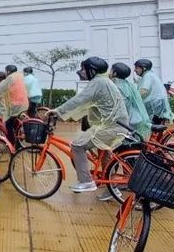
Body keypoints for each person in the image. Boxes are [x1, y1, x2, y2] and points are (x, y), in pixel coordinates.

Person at [50, 57, 129, 194]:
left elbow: (79, 100)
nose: (81, 72)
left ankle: (86, 182)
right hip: (115, 125)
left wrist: (58, 111)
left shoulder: (98, 82)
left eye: (83, 69)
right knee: (102, 152)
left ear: (92, 70)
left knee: (77, 145)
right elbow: (88, 104)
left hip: (110, 127)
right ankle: (112, 189)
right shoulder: (104, 81)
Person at [111, 63, 150, 143]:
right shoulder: (128, 84)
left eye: (111, 70)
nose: (109, 72)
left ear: (115, 73)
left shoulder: (118, 86)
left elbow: (122, 104)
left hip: (130, 121)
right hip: (137, 118)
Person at [134, 59, 174, 123]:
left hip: (155, 106)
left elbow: (144, 91)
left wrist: (134, 98)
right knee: (157, 128)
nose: (135, 70)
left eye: (136, 68)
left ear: (143, 68)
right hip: (158, 105)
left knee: (152, 126)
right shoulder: (150, 74)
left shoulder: (148, 76)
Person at [0, 65, 29, 140]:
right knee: (16, 123)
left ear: (8, 71)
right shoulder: (20, 76)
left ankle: (12, 142)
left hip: (15, 105)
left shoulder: (10, 77)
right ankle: (18, 140)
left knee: (8, 124)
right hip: (24, 103)